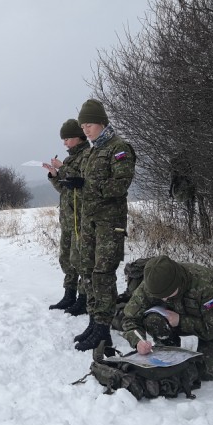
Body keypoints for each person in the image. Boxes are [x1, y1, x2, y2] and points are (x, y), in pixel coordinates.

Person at [72, 99, 136, 351]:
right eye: (83, 126)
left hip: (109, 223)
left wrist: (88, 186)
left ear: (102, 123)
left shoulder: (118, 148)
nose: (85, 130)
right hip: (90, 221)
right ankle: (94, 322)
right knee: (87, 271)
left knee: (102, 274)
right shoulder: (91, 151)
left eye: (89, 125)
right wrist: (74, 182)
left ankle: (103, 328)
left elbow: (120, 184)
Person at [120, 255, 213, 380]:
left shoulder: (205, 283)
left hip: (208, 328)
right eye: (160, 297)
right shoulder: (152, 284)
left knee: (209, 370)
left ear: (178, 283)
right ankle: (168, 348)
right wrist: (137, 341)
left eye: (168, 294)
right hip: (171, 324)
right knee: (153, 320)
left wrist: (181, 321)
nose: (164, 299)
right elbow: (129, 318)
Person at [43, 119, 91, 312]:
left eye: (67, 139)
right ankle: (69, 294)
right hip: (68, 218)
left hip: (81, 218)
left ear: (78, 138)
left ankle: (84, 297)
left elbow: (82, 183)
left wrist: (62, 167)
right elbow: (65, 189)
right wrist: (55, 175)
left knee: (80, 260)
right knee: (66, 258)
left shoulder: (87, 155)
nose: (64, 143)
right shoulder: (71, 159)